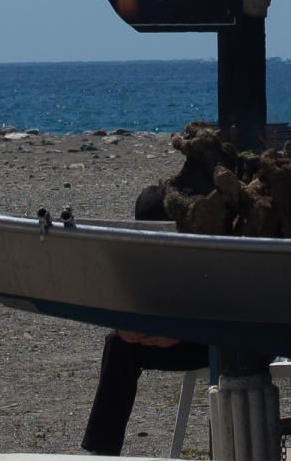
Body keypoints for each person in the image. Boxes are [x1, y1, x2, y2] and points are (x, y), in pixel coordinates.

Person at [81, 186, 209, 456]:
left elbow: (227, 309)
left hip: (221, 340)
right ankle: (102, 451)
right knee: (118, 345)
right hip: (171, 338)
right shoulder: (140, 252)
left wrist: (184, 333)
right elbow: (123, 297)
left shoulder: (204, 246)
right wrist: (127, 327)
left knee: (232, 352)